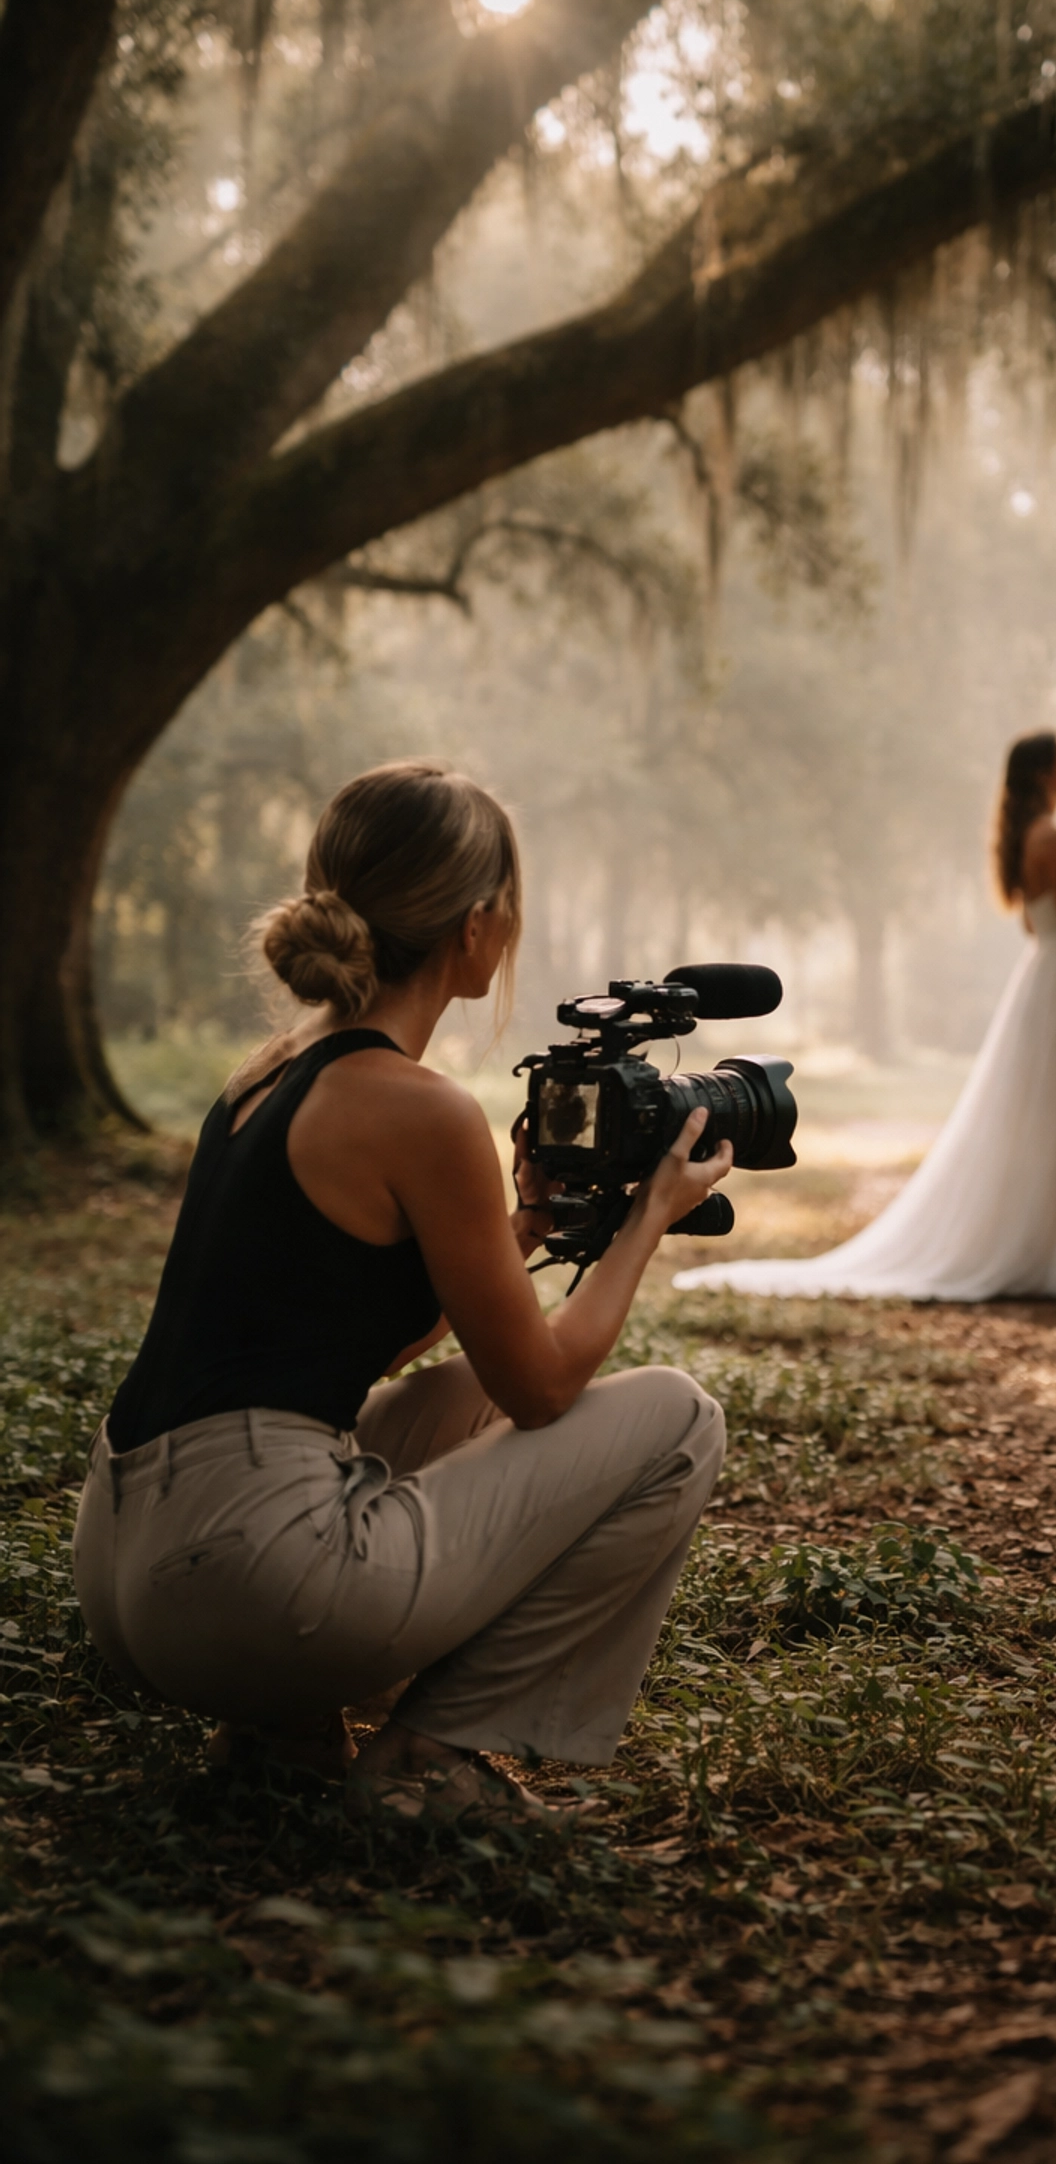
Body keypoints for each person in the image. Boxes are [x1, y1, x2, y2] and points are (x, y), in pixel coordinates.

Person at [71, 760, 732, 1816]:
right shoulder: (420, 1108)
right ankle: (432, 1758)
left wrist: (512, 1231)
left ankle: (278, 1729)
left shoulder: (268, 1075)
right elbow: (545, 1391)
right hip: (252, 1576)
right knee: (678, 1421)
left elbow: (345, 1339)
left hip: (127, 1562)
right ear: (476, 928)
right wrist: (647, 1218)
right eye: (507, 906)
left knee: (454, 1394)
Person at [674, 732, 1056, 1302]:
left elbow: (1036, 926)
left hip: (1044, 979)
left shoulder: (1025, 839)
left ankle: (1053, 1244)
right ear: (1043, 772)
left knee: (1049, 1114)